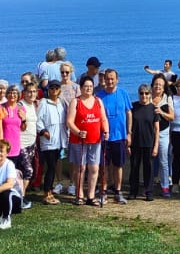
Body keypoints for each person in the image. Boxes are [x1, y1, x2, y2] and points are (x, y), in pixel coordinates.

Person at [67, 77, 109, 206]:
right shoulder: (76, 102)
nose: (88, 88)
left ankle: (91, 196)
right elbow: (69, 122)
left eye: (91, 86)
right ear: (81, 87)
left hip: (95, 140)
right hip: (79, 141)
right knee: (80, 168)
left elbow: (103, 119)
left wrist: (106, 131)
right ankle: (79, 195)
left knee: (94, 167)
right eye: (86, 86)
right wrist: (78, 132)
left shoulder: (98, 101)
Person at [96, 67, 133, 204]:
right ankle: (103, 191)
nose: (110, 81)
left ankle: (118, 191)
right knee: (103, 166)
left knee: (118, 165)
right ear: (104, 80)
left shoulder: (123, 93)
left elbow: (129, 113)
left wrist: (129, 133)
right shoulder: (99, 96)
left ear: (117, 80)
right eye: (107, 78)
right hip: (103, 137)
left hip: (120, 136)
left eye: (112, 78)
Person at [36, 77, 66, 203]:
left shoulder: (62, 103)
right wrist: (43, 131)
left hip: (59, 139)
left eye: (56, 88)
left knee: (54, 166)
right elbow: (39, 120)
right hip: (48, 140)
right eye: (52, 88)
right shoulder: (44, 103)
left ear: (59, 90)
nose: (54, 90)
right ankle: (47, 192)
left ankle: (49, 191)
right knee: (52, 167)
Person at [129, 83, 159, 199]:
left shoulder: (153, 109)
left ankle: (149, 191)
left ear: (150, 94)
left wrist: (156, 146)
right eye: (142, 93)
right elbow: (129, 126)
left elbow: (157, 129)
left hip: (149, 143)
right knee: (134, 168)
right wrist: (128, 143)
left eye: (146, 93)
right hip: (135, 143)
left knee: (149, 169)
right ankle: (133, 191)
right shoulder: (133, 107)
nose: (144, 96)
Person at [150, 74, 175, 196]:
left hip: (163, 133)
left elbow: (172, 117)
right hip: (149, 133)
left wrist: (161, 112)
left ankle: (165, 186)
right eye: (156, 84)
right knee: (148, 159)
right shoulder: (147, 96)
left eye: (160, 84)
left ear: (164, 86)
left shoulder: (167, 98)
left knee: (163, 160)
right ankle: (148, 184)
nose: (158, 86)